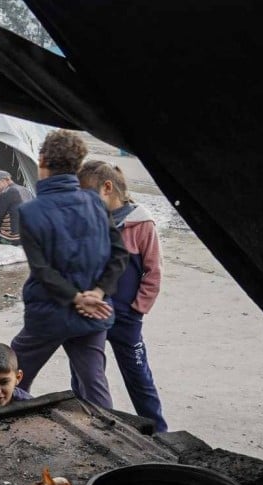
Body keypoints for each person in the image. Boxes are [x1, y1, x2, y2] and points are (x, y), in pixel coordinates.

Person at [8, 130, 128, 407]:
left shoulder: (30, 212)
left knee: (11, 379)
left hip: (48, 316)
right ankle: (114, 439)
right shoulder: (96, 202)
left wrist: (75, 298)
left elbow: (42, 270)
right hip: (93, 314)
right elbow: (120, 254)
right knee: (95, 387)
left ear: (42, 160)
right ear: (77, 165)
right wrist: (96, 294)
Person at [77, 161, 168, 431]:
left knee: (139, 377)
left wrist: (138, 309)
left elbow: (153, 272)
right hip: (92, 315)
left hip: (127, 317)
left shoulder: (141, 224)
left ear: (107, 188)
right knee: (86, 376)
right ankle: (92, 431)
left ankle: (158, 434)